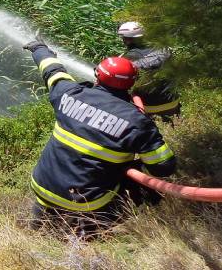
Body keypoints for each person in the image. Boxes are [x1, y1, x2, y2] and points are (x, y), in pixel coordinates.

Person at [22, 39, 176, 235]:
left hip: (41, 185)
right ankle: (94, 229)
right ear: (132, 82)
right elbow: (164, 166)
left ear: (98, 76)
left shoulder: (69, 94)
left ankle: (41, 225)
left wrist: (39, 48)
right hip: (85, 203)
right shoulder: (137, 122)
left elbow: (53, 71)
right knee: (144, 180)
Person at [117, 21, 180, 116]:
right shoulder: (165, 49)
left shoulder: (125, 59)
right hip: (173, 102)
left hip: (148, 107)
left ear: (127, 40)